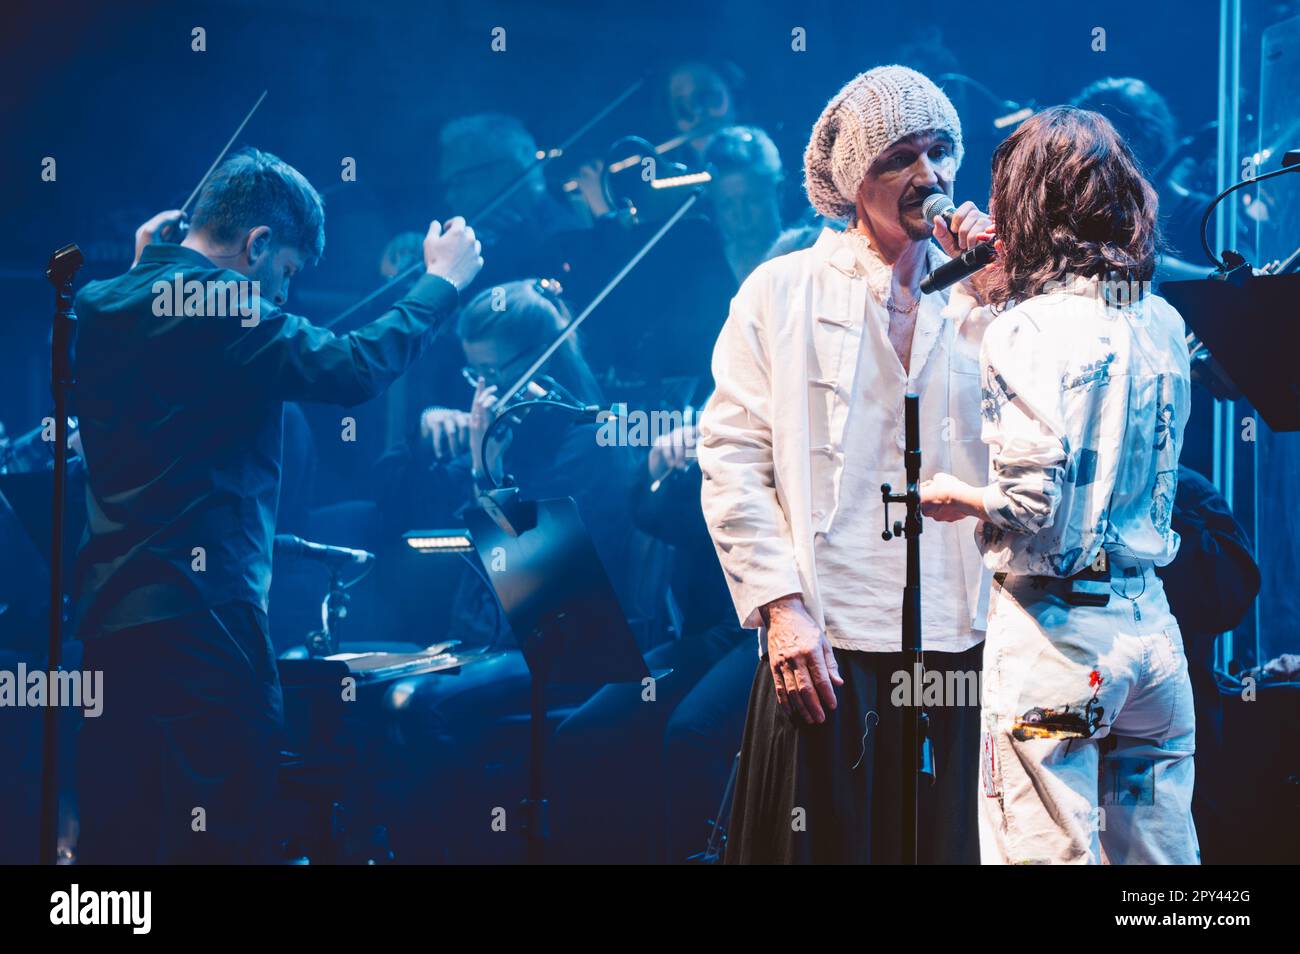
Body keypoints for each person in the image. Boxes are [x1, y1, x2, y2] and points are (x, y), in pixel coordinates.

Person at [72, 147, 483, 863]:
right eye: (286, 272)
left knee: (121, 839)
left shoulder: (101, 304)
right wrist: (441, 282)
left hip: (110, 618)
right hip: (205, 618)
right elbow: (355, 365)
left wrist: (149, 265)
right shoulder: (227, 305)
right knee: (223, 829)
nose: (283, 295)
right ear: (258, 244)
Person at [698, 65, 996, 864]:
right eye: (901, 155)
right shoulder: (780, 291)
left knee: (945, 842)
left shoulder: (985, 298)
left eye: (940, 151)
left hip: (957, 638)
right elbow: (733, 459)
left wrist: (1010, 291)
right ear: (853, 176)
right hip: (828, 637)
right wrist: (782, 609)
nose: (928, 175)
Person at [919, 106, 1199, 864]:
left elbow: (1031, 505)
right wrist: (993, 293)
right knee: (1163, 871)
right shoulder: (1160, 321)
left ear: (1028, 207)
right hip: (1152, 644)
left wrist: (956, 496)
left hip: (1062, 655)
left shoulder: (1030, 330)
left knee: (1048, 852)